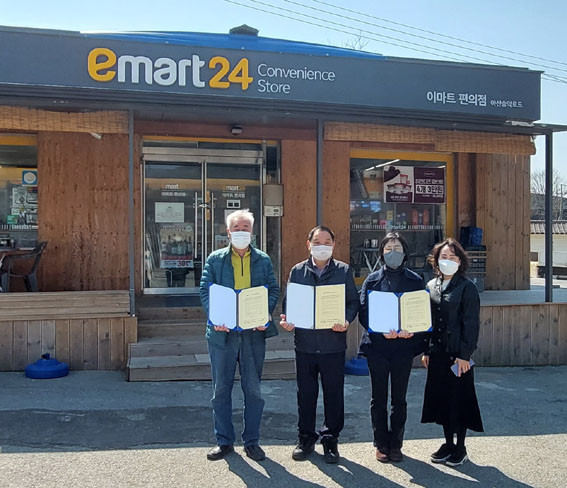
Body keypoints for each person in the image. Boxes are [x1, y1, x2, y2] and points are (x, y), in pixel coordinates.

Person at [200, 209, 280, 462]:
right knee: (220, 391)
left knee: (253, 391)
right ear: (228, 232)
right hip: (222, 335)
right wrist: (215, 317)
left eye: (246, 227)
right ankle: (224, 441)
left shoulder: (263, 260)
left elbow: (272, 289)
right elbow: (205, 290)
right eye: (237, 228)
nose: (241, 231)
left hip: (252, 334)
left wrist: (264, 314)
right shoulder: (215, 259)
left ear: (252, 232)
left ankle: (252, 441)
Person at [279, 226, 359, 464]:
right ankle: (305, 438)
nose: (321, 246)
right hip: (305, 344)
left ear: (333, 245)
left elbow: (353, 302)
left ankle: (330, 440)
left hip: (332, 344)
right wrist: (288, 320)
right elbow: (288, 303)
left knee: (333, 394)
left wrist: (346, 320)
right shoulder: (297, 271)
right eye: (317, 241)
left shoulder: (343, 270)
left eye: (326, 242)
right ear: (308, 244)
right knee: (306, 394)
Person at [358, 232, 428, 463]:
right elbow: (364, 312)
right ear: (381, 253)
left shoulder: (415, 280)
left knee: (399, 398)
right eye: (388, 249)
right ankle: (380, 443)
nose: (393, 253)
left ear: (405, 252)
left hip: (403, 347)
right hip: (378, 346)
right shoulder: (372, 280)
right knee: (378, 398)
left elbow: (420, 311)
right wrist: (379, 329)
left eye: (397, 248)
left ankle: (396, 443)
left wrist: (413, 330)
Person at [421, 237, 484, 467]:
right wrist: (426, 350)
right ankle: (448, 443)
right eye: (443, 256)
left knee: (460, 400)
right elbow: (428, 321)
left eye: (452, 257)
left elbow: (471, 324)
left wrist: (465, 355)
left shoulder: (467, 288)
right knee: (442, 400)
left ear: (460, 261)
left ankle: (460, 447)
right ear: (436, 260)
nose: (447, 260)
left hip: (458, 354)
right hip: (437, 352)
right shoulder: (431, 285)